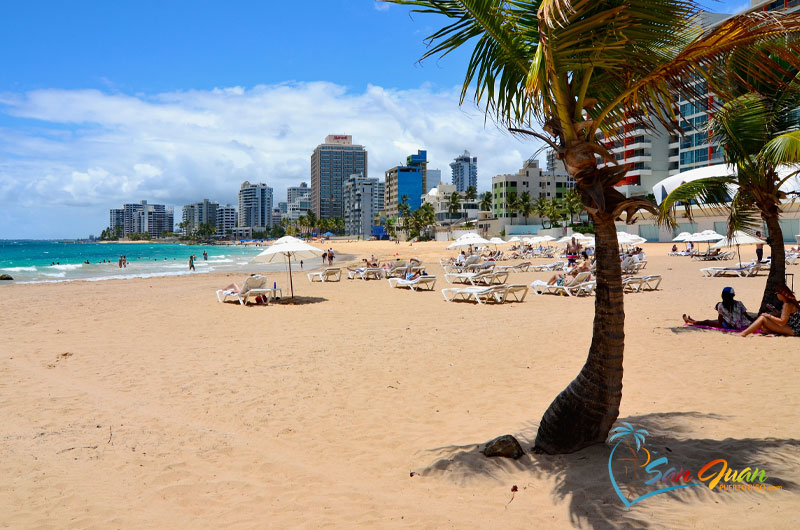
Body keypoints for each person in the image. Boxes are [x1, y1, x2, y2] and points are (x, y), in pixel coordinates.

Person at [683, 287, 754, 330]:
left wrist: (719, 325)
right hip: (739, 325)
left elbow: (720, 319)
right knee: (709, 321)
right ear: (733, 295)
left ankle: (690, 321)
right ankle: (694, 321)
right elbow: (746, 316)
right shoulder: (739, 303)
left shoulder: (721, 305)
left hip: (729, 325)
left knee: (708, 322)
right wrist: (753, 320)